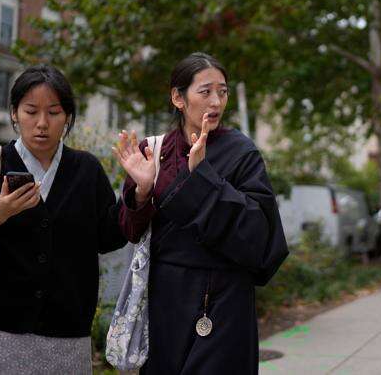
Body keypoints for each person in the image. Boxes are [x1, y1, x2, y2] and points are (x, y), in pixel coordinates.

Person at [0, 64, 127, 374]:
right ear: (14, 113)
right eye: (31, 111)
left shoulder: (86, 170)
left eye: (54, 112)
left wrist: (137, 192)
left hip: (65, 336)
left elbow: (109, 238)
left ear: (67, 116)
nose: (42, 123)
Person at [113, 52, 288, 374]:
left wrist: (203, 175)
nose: (216, 102)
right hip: (166, 300)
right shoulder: (155, 151)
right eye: (205, 92)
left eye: (222, 92)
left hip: (225, 298)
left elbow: (260, 234)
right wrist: (142, 191)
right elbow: (129, 231)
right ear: (178, 98)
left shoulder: (241, 152)